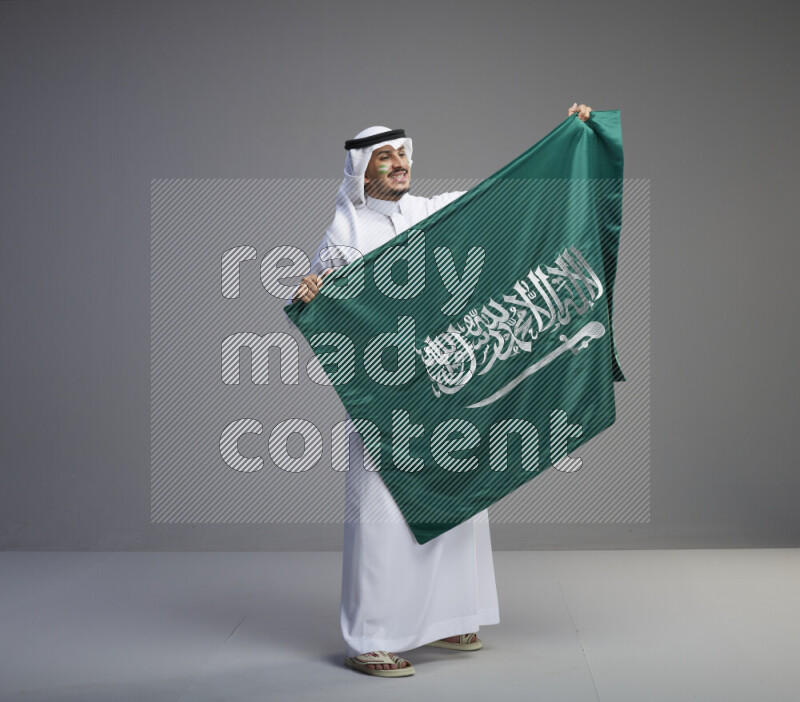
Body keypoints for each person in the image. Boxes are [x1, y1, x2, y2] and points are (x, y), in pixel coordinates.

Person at [285, 104, 593, 678]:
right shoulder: (344, 235)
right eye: (386, 156)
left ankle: (453, 618)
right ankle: (370, 637)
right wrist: (314, 293)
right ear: (361, 169)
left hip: (446, 382)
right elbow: (339, 311)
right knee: (382, 509)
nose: (399, 164)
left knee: (457, 494)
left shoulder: (431, 213)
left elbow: (506, 200)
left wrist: (567, 136)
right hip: (389, 393)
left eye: (403, 153)